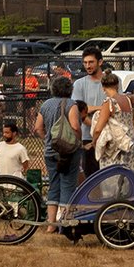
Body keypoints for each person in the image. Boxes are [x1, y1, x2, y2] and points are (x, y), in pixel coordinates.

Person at [39, 75, 85, 230]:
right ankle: (63, 224)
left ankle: (51, 224)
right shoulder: (71, 104)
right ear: (70, 90)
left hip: (50, 151)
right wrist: (77, 142)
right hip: (69, 152)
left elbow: (38, 127)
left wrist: (49, 139)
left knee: (54, 185)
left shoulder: (45, 105)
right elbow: (75, 127)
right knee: (68, 185)